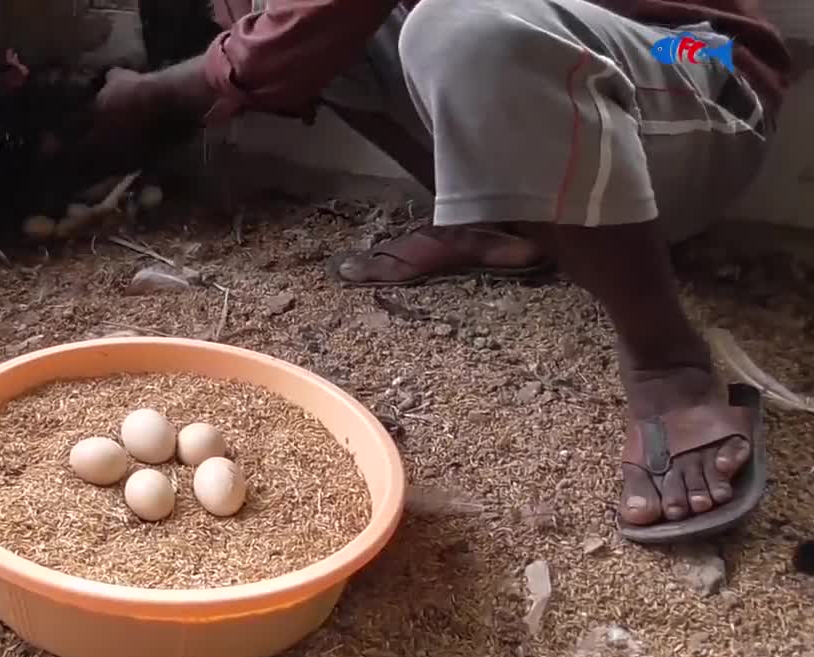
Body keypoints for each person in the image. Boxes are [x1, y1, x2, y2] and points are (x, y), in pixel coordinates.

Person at [88, 0, 792, 542]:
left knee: (451, 28)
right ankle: (486, 220)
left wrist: (150, 97)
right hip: (567, 37)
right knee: (299, 26)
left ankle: (669, 366)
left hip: (700, 50)